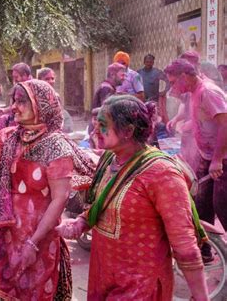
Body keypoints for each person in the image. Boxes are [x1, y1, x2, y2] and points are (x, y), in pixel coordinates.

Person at [0, 79, 96, 300]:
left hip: (38, 240)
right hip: (3, 233)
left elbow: (58, 201)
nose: (14, 106)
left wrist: (33, 243)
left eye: (22, 101)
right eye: (14, 100)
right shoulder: (7, 138)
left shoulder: (56, 146)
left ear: (41, 105)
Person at [56, 95, 208, 300]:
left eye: (102, 126)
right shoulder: (111, 159)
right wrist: (82, 222)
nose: (95, 132)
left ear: (128, 131)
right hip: (103, 275)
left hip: (139, 284)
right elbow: (106, 201)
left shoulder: (161, 174)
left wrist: (201, 296)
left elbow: (184, 246)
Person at [165, 59, 227, 262]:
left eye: (173, 82)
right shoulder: (194, 93)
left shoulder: (208, 91)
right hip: (207, 156)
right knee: (201, 203)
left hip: (222, 158)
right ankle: (206, 251)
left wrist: (217, 159)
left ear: (185, 76)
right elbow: (202, 121)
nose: (172, 87)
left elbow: (225, 124)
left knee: (222, 206)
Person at [37, 67, 74, 133]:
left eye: (52, 78)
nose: (51, 81)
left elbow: (61, 115)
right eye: (47, 79)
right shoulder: (35, 96)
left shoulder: (56, 96)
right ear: (40, 80)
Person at [137, 54, 170, 122]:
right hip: (142, 101)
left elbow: (168, 80)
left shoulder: (157, 72)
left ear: (153, 62)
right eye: (147, 62)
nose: (149, 63)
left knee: (154, 120)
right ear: (144, 62)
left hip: (154, 101)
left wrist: (164, 91)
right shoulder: (139, 73)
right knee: (143, 120)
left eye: (150, 62)